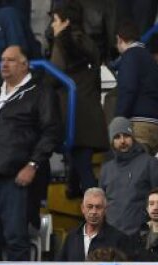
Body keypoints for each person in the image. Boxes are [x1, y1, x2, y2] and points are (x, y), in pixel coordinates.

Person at [0, 45, 62, 261]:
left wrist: (33, 164)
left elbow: (52, 131)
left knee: (15, 238)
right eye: (2, 59)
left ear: (24, 64)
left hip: (15, 178)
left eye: (10, 60)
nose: (4, 64)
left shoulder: (40, 92)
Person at [50, 0, 108, 196]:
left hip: (75, 115)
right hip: (90, 113)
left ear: (66, 22)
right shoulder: (88, 42)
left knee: (83, 167)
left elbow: (54, 75)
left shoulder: (62, 43)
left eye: (56, 20)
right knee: (80, 161)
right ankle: (73, 191)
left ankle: (95, 206)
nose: (52, 25)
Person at [98, 117, 158, 236]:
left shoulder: (150, 164)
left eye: (126, 136)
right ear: (111, 141)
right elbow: (101, 204)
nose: (122, 141)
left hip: (140, 236)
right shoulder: (106, 169)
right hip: (111, 237)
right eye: (117, 137)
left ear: (133, 137)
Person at [113, 20, 158, 154]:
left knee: (134, 171)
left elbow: (128, 90)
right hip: (156, 124)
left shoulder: (130, 56)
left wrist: (118, 120)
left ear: (119, 39)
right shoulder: (151, 59)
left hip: (139, 124)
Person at [55, 188, 129, 262]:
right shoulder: (71, 237)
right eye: (90, 207)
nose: (94, 212)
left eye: (98, 207)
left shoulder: (118, 238)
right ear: (83, 208)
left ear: (105, 209)